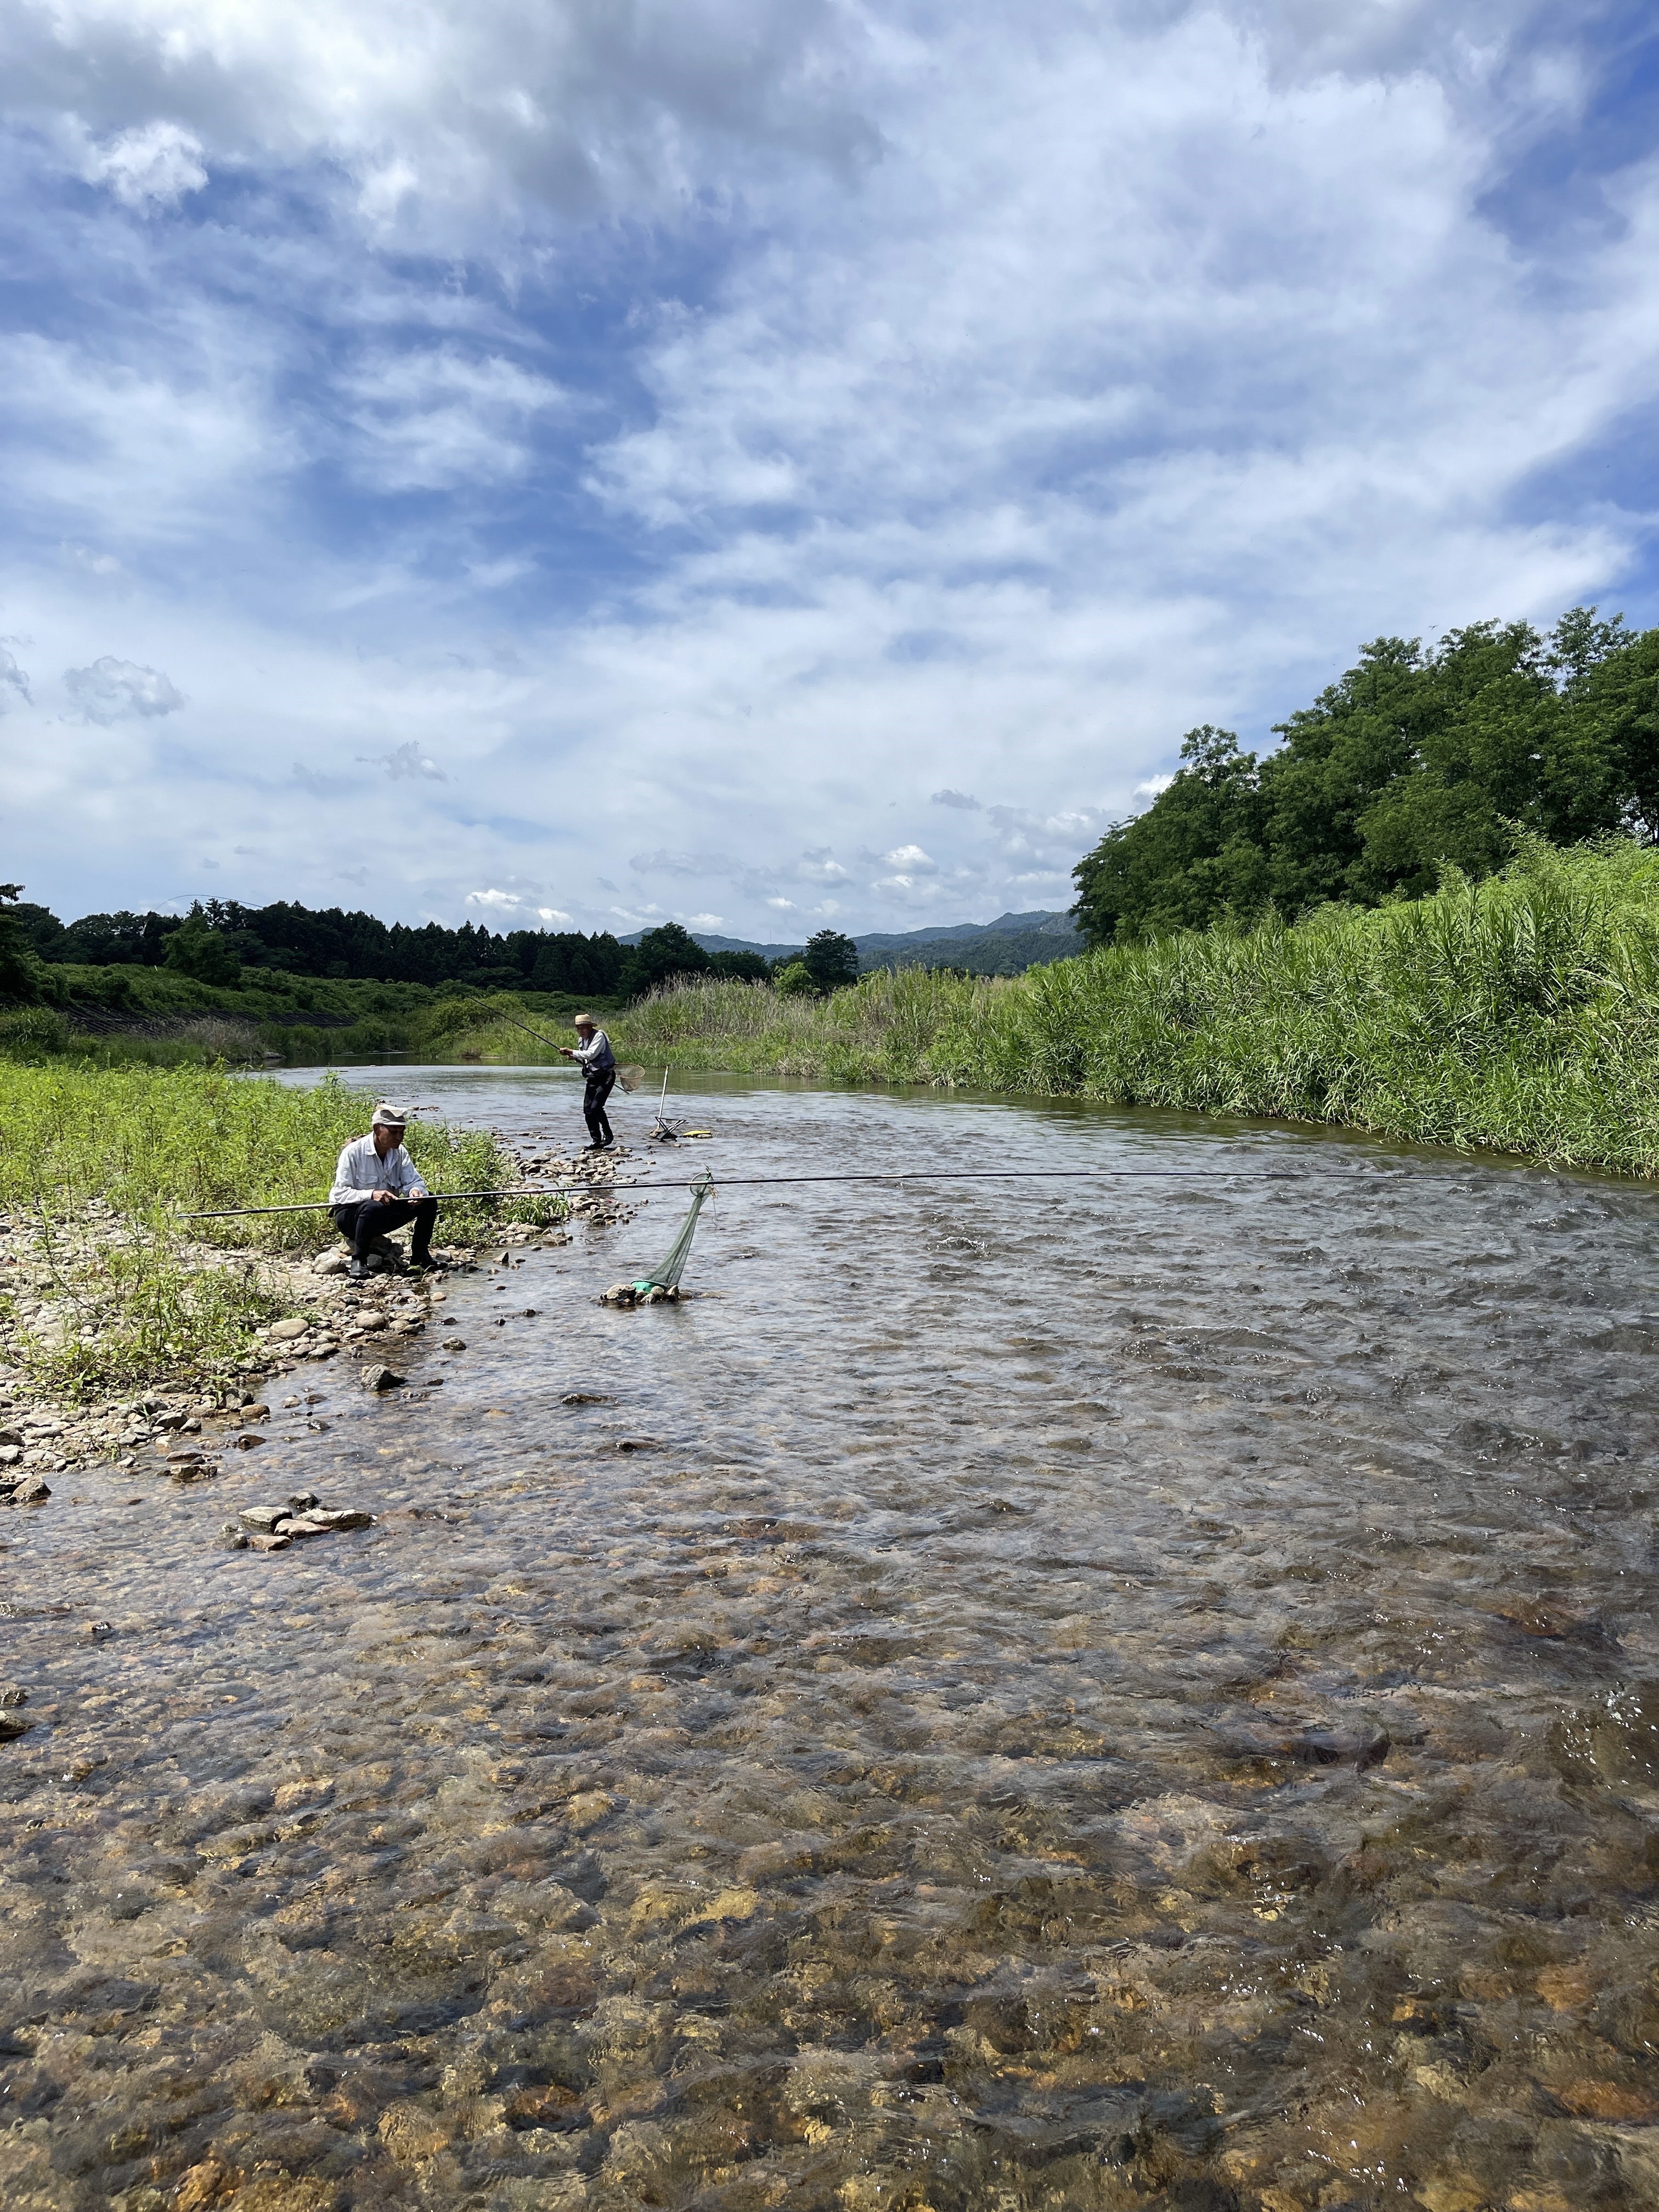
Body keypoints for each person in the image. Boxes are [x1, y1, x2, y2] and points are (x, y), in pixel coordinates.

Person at [329, 1104, 441, 1279]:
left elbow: (414, 1181)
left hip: (382, 1213)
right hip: (351, 1218)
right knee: (372, 1206)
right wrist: (371, 1194)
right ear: (377, 1129)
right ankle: (359, 1261)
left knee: (429, 1201)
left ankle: (420, 1256)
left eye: (402, 1132)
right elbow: (338, 1194)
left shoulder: (400, 1153)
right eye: (394, 1132)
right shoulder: (353, 1152)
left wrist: (415, 1192)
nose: (399, 1137)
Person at [560, 1013, 617, 1149]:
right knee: (588, 1110)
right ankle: (596, 1141)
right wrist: (575, 1057)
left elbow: (591, 1054)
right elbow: (587, 1059)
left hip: (606, 1076)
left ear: (591, 1027)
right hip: (593, 1077)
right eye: (579, 1028)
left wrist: (571, 1051)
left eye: (584, 1028)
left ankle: (608, 1135)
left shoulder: (599, 1036)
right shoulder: (581, 1040)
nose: (582, 1031)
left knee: (596, 1107)